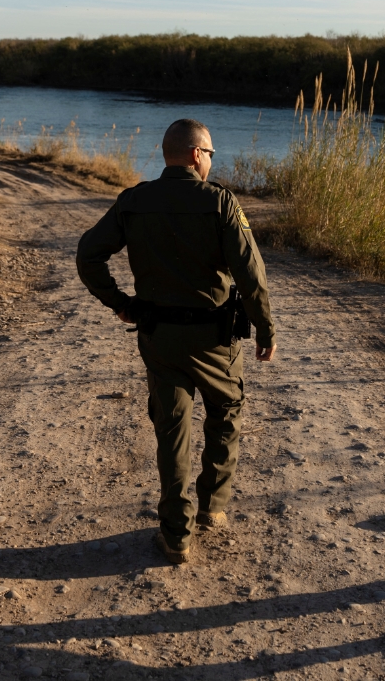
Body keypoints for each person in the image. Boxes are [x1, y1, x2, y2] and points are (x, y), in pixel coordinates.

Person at [76, 118, 276, 565]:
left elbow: (88, 255)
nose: (210, 162)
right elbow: (252, 274)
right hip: (215, 341)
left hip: (159, 338)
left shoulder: (133, 201)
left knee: (171, 431)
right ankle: (212, 507)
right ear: (195, 154)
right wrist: (266, 328)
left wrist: (120, 303)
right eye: (210, 154)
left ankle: (175, 535)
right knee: (226, 414)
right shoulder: (220, 202)